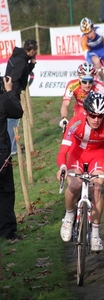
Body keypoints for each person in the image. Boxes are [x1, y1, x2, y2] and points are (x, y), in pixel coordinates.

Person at [56, 91, 104, 252]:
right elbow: (62, 151)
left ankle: (95, 234)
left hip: (97, 157)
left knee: (97, 189)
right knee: (74, 186)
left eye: (100, 116)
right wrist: (62, 167)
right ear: (86, 112)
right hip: (76, 155)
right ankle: (69, 216)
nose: (96, 119)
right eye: (93, 115)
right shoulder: (75, 122)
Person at [0, 76, 23, 241]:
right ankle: (7, 232)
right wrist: (10, 91)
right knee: (6, 192)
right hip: (1, 154)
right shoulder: (3, 100)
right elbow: (18, 111)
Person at [5, 39, 38, 155]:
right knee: (13, 122)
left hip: (9, 92)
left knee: (10, 121)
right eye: (36, 51)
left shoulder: (20, 57)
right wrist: (15, 95)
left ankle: (11, 146)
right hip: (11, 93)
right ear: (32, 51)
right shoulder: (21, 61)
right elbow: (14, 79)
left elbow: (23, 72)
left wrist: (32, 64)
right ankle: (13, 148)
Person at [59, 61, 104, 129]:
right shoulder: (72, 85)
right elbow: (65, 104)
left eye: (90, 81)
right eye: (84, 82)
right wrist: (64, 118)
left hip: (95, 112)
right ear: (80, 80)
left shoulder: (99, 86)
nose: (87, 85)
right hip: (79, 111)